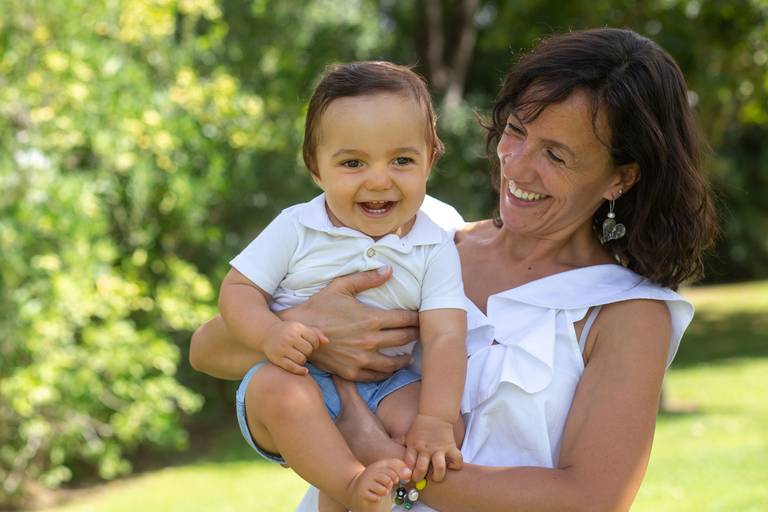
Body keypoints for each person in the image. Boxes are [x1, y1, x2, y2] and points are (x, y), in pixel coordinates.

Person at [190, 28, 718, 511]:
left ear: (620, 178)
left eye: (556, 155)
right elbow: (208, 351)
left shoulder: (626, 312)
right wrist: (313, 330)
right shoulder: (424, 238)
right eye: (516, 131)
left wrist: (368, 447)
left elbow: (588, 502)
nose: (517, 165)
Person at [213, 61, 468, 512]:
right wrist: (270, 334)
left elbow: (445, 334)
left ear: (431, 159)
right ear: (316, 168)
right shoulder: (296, 227)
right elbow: (238, 291)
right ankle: (348, 485)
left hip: (387, 382)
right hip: (296, 374)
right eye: (353, 163)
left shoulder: (435, 244)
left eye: (402, 160)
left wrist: (436, 418)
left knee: (440, 429)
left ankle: (365, 489)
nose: (379, 180)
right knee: (280, 394)